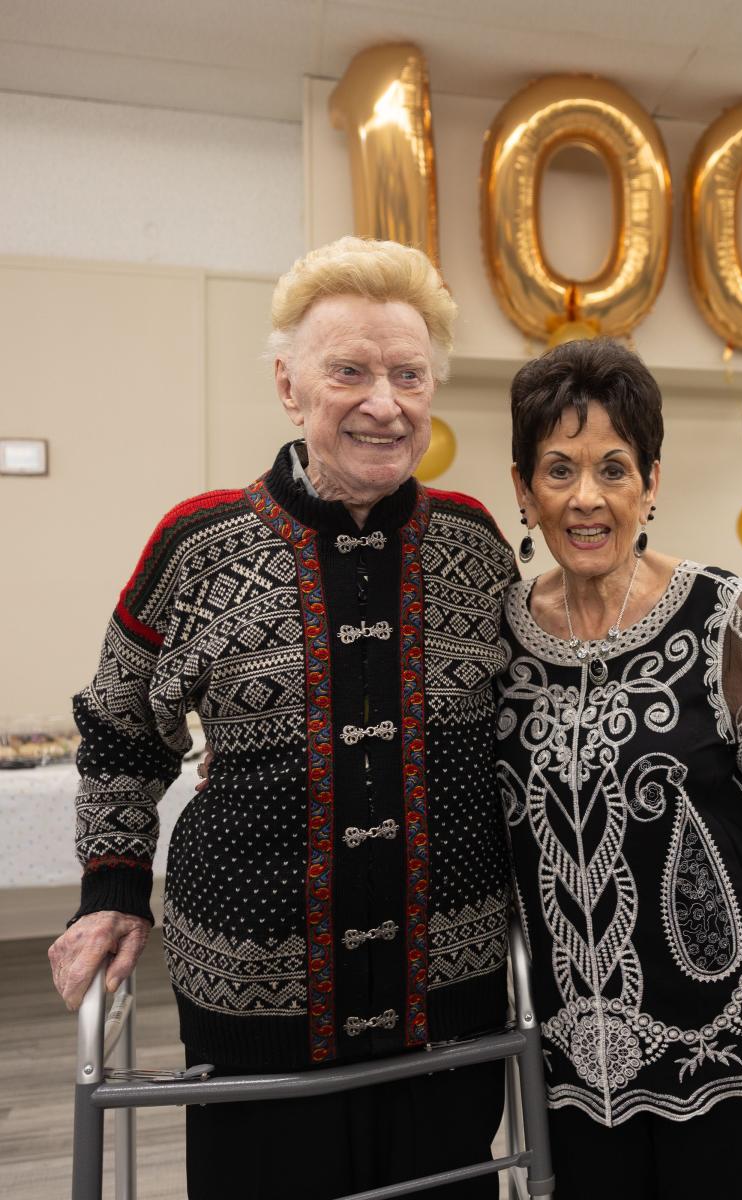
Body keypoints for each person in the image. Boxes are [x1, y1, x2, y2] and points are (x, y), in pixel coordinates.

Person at [48, 237, 518, 1199]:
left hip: (452, 979)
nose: (383, 401)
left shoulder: (475, 542)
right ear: (288, 385)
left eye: (408, 374)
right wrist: (111, 887)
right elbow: (120, 725)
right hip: (253, 983)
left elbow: (526, 726)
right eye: (348, 370)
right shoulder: (200, 544)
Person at [496, 338, 742, 1199]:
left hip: (737, 1017)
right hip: (576, 1044)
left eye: (613, 469)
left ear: (650, 484)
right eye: (558, 470)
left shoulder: (715, 609)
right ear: (523, 490)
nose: (586, 499)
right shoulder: (500, 633)